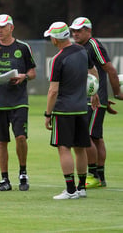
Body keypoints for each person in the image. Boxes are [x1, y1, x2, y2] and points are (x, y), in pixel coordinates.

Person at [43, 21, 99, 199]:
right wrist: (94, 93)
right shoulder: (82, 51)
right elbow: (94, 72)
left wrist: (48, 114)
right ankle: (81, 188)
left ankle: (70, 189)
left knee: (64, 147)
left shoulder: (58, 59)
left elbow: (53, 91)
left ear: (55, 39)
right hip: (82, 108)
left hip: (63, 110)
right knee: (80, 148)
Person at [0, 14, 36, 192]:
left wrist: (24, 76)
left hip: (18, 100)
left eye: (2, 27)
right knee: (1, 141)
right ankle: (4, 178)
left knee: (20, 136)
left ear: (11, 28)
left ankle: (23, 172)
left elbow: (33, 72)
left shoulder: (23, 47)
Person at [69, 17, 123, 188]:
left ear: (88, 31)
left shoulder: (93, 45)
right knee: (97, 137)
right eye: (74, 30)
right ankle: (100, 177)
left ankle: (93, 175)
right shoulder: (81, 46)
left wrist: (117, 93)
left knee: (88, 136)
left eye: (79, 30)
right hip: (94, 98)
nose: (75, 33)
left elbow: (110, 69)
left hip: (93, 100)